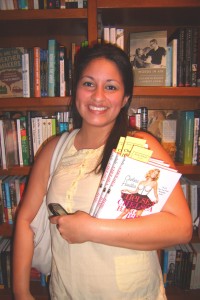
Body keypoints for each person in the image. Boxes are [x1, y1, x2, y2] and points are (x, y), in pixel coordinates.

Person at [13, 43, 192, 300]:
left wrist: (92, 229)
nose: (98, 96)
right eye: (88, 84)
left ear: (125, 98)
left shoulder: (140, 147)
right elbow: (24, 220)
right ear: (75, 91)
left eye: (111, 87)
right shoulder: (55, 149)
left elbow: (181, 227)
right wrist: (21, 292)